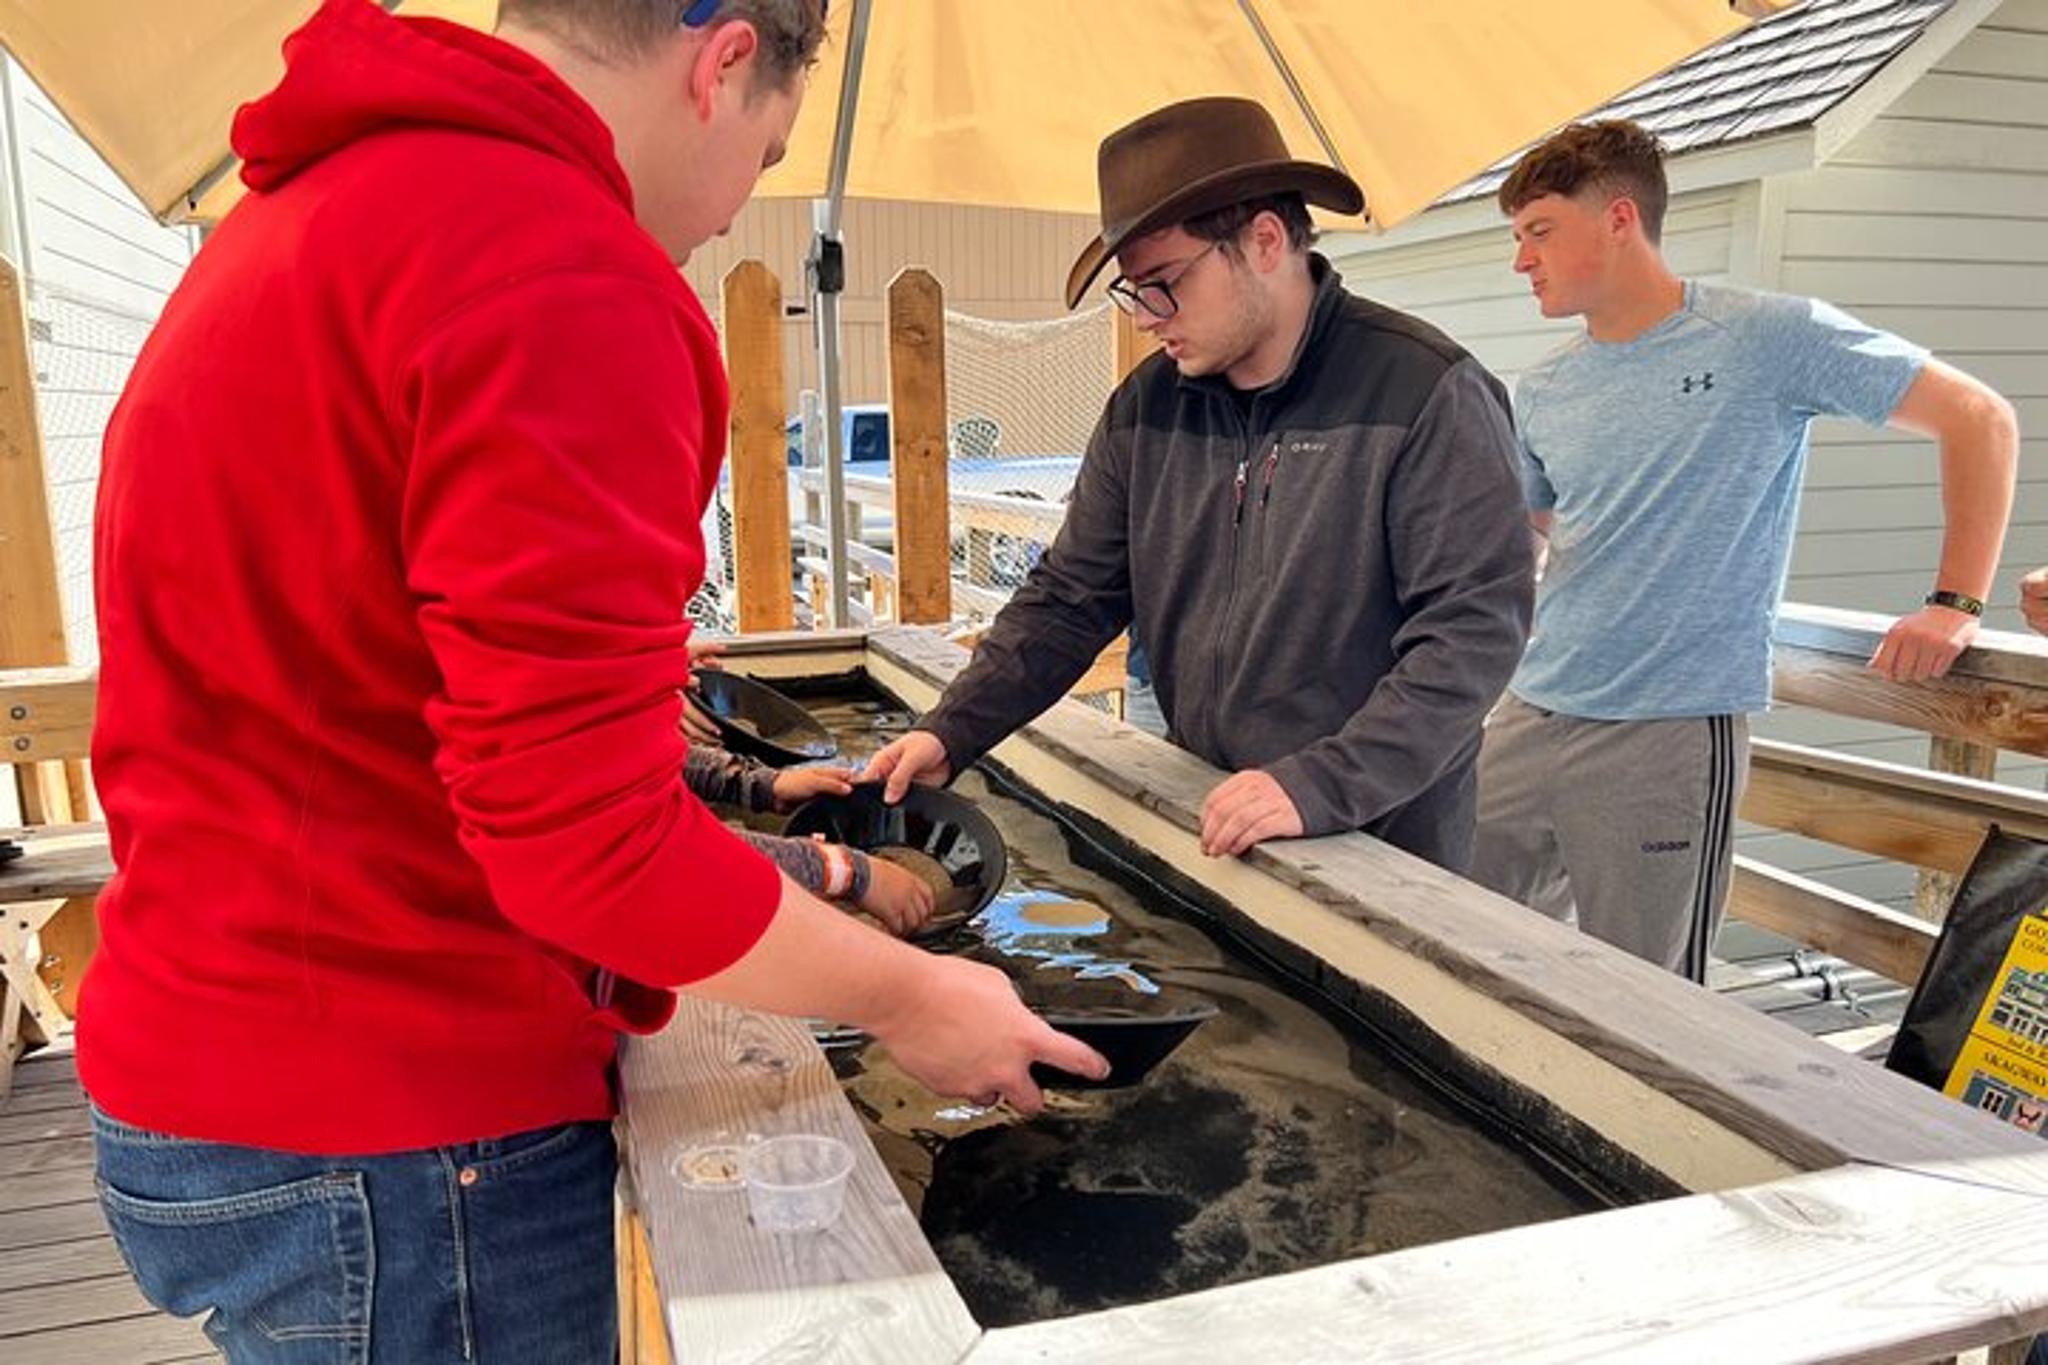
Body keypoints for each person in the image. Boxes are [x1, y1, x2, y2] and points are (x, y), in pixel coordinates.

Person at [81, 3, 1102, 1361]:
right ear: (724, 61)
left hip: (208, 1064)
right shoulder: (557, 272)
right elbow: (591, 845)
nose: (742, 210)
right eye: (769, 151)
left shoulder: (312, 219)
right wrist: (914, 996)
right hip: (401, 1130)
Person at [863, 97, 1534, 873]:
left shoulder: (1424, 391)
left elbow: (1473, 633)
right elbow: (1070, 597)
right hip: (1217, 814)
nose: (1147, 316)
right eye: (1134, 289)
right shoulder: (1147, 407)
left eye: (1164, 282)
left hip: (1384, 840)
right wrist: (951, 730)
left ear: (1264, 240)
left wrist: (1321, 782)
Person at [1473, 119, 2020, 982]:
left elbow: (1979, 418)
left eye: (1538, 231)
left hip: (1666, 735)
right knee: (1460, 940)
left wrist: (1954, 603)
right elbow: (1526, 547)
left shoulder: (1763, 338)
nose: (1521, 260)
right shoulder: (1542, 388)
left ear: (1619, 219)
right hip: (1527, 714)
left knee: (1644, 1000)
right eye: (1517, 238)